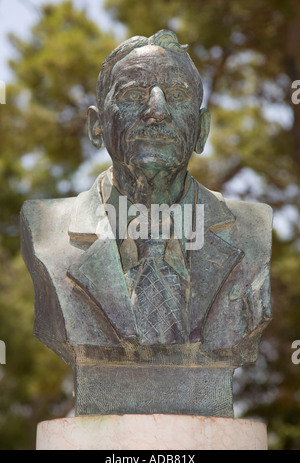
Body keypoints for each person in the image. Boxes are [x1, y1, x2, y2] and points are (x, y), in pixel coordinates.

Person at [21, 30, 272, 416]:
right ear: (96, 125)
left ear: (202, 130)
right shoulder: (43, 229)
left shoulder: (252, 230)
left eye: (177, 96)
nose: (157, 110)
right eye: (134, 95)